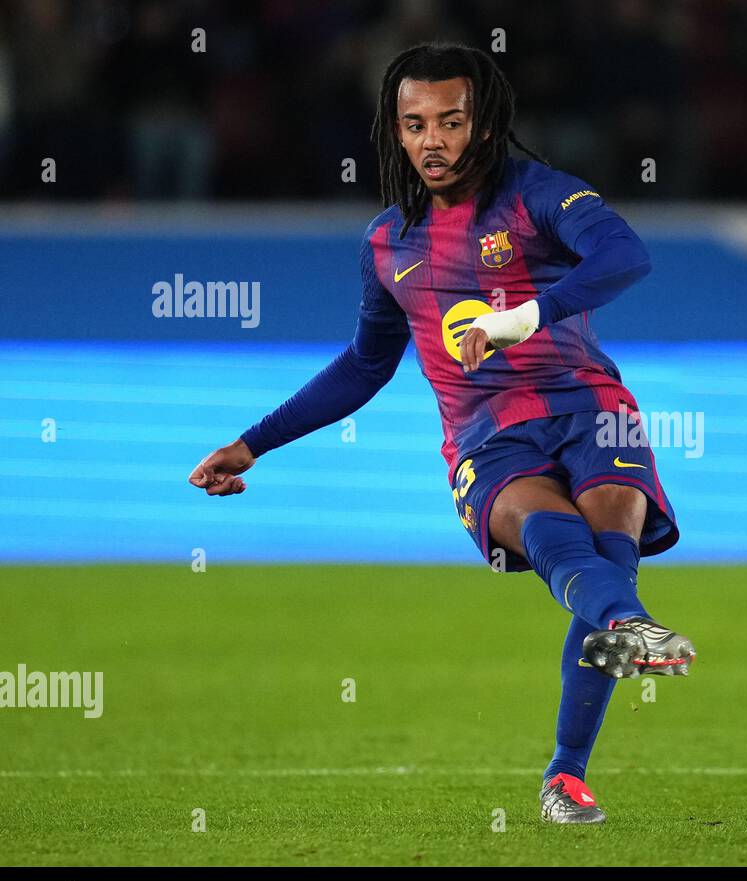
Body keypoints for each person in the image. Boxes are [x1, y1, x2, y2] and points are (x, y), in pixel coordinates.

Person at [187, 43, 695, 825]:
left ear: (483, 125)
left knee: (607, 551)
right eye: (414, 124)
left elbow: (626, 254)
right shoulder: (390, 245)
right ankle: (624, 637)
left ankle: (567, 775)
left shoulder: (538, 198)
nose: (432, 141)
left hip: (592, 407)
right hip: (490, 438)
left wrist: (526, 315)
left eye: (450, 122)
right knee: (561, 543)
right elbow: (364, 367)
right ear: (395, 131)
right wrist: (254, 443)